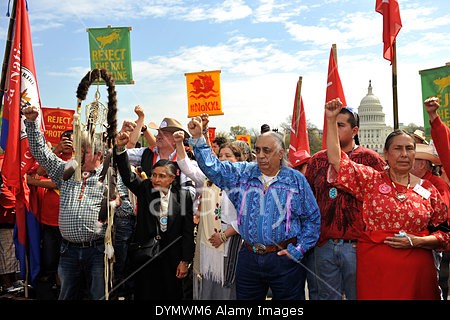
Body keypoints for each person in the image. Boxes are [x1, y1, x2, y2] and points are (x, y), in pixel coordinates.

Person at [325, 98, 450, 300]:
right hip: (377, 274)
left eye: (409, 149)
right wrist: (331, 120)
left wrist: (417, 241)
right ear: (385, 153)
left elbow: (445, 235)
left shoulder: (428, 189)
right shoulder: (370, 181)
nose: (404, 154)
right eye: (397, 149)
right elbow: (336, 160)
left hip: (418, 275)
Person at [187, 116, 320, 300]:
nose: (261, 155)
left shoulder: (295, 180)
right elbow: (214, 168)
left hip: (283, 260)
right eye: (257, 150)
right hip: (249, 258)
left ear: (281, 153)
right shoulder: (244, 173)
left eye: (267, 150)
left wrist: (299, 249)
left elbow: (312, 218)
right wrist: (199, 139)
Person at [23, 105, 111, 300]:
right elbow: (41, 153)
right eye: (77, 150)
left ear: (98, 155)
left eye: (83, 151)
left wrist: (116, 204)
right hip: (68, 250)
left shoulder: (109, 177)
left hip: (97, 251)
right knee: (67, 295)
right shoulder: (66, 170)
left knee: (98, 296)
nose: (77, 154)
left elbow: (125, 209)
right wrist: (31, 123)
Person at [304, 108, 386, 300]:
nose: (334, 129)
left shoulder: (370, 159)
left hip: (358, 246)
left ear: (355, 131)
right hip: (323, 245)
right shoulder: (317, 161)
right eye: (331, 125)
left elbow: (383, 198)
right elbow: (307, 202)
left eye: (340, 125)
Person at [114, 127, 195, 300]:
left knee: (171, 295)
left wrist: (185, 260)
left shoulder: (184, 196)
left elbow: (187, 232)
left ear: (173, 178)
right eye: (154, 175)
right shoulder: (145, 189)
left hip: (172, 259)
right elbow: (128, 176)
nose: (157, 180)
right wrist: (120, 150)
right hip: (146, 256)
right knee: (145, 293)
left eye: (162, 176)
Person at [175, 132, 242, 300]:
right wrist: (178, 143)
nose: (224, 158)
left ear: (239, 159)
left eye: (229, 155)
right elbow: (186, 166)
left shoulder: (244, 182)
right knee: (208, 288)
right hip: (208, 244)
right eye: (220, 156)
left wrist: (224, 235)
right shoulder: (207, 178)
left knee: (227, 289)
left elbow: (246, 218)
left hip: (230, 244)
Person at [26, 130, 74, 300]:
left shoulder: (78, 162)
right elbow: (38, 171)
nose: (67, 143)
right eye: (64, 140)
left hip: (67, 222)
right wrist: (56, 151)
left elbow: (59, 181)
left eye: (71, 140)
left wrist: (34, 182)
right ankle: (52, 289)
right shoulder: (55, 157)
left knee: (65, 260)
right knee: (49, 260)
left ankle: (63, 289)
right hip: (48, 219)